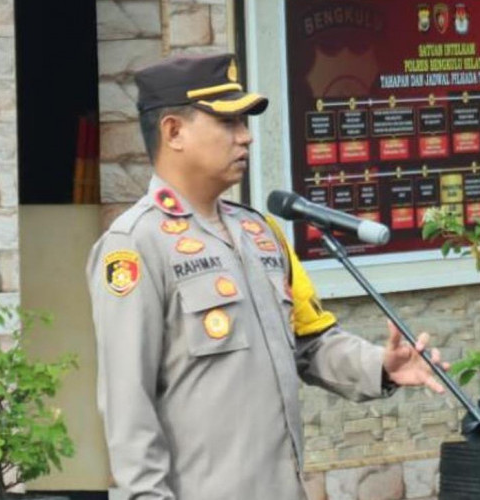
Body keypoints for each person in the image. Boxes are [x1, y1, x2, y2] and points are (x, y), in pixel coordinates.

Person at [86, 53, 447, 500]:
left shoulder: (260, 232)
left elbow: (309, 344)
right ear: (173, 132)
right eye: (228, 122)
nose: (246, 137)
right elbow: (127, 403)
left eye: (245, 123)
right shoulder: (135, 245)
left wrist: (380, 366)